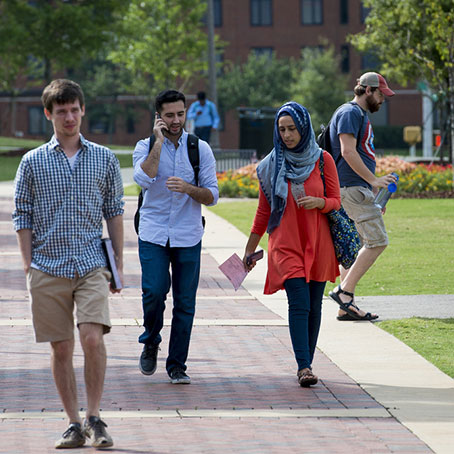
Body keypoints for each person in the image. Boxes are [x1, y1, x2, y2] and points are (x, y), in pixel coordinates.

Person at [12, 79, 124, 449]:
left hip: (91, 264)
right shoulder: (32, 162)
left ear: (83, 110)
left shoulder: (104, 159)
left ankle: (94, 417)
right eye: (62, 111)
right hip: (47, 266)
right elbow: (22, 215)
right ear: (49, 114)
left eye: (75, 109)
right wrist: (29, 266)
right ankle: (73, 423)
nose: (70, 117)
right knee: (61, 349)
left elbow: (114, 212)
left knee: (92, 338)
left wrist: (117, 264)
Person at [243, 102, 341, 387]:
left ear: (304, 127)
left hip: (318, 241)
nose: (286, 135)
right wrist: (249, 248)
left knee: (313, 305)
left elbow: (336, 200)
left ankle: (307, 362)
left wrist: (319, 202)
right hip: (285, 244)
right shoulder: (270, 165)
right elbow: (263, 212)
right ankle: (304, 366)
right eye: (282, 129)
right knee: (299, 302)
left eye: (292, 129)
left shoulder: (323, 160)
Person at [133, 89, 218, 385]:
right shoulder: (144, 146)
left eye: (180, 114)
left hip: (188, 234)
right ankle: (151, 340)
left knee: (185, 302)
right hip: (153, 231)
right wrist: (158, 142)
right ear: (159, 117)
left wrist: (188, 188)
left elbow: (212, 196)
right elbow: (143, 178)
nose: (176, 120)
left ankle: (177, 364)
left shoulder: (200, 149)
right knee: (154, 291)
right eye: (169, 115)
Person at [327, 72, 397, 321]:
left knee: (353, 249)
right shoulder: (350, 113)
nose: (383, 99)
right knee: (377, 241)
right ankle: (343, 293)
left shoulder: (358, 115)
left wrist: (374, 191)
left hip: (355, 189)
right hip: (351, 188)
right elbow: (347, 151)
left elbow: (358, 153)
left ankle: (345, 306)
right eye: (381, 94)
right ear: (367, 90)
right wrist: (373, 180)